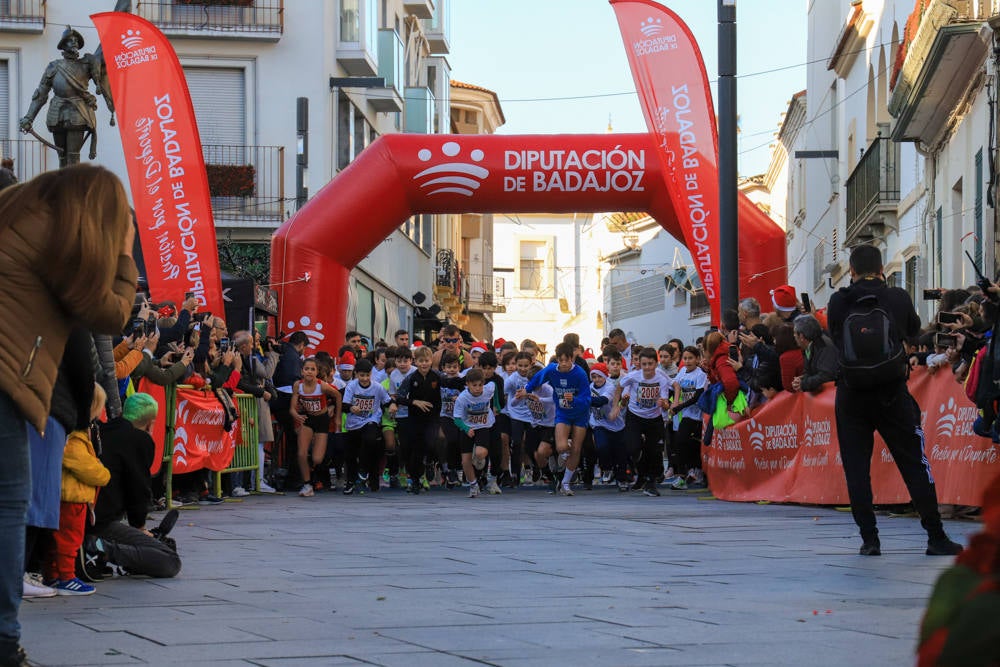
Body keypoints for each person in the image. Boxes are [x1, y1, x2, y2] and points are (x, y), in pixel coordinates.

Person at [0, 164, 137, 667]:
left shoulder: (18, 218)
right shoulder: (51, 237)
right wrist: (124, 252)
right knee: (9, 506)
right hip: (5, 387)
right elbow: (106, 312)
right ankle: (3, 645)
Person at [827, 244, 963, 557]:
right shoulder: (897, 297)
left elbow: (836, 338)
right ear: (882, 269)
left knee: (857, 468)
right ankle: (935, 535)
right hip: (891, 392)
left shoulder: (838, 301)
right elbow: (914, 333)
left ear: (851, 271)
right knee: (914, 462)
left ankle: (870, 540)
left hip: (851, 394)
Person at [85, 393, 182, 579]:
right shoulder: (140, 439)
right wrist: (139, 526)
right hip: (99, 522)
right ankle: (101, 548)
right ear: (150, 424)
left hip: (88, 513)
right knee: (170, 561)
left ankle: (106, 550)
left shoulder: (102, 431)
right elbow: (138, 488)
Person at [44, 384, 110, 596]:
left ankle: (54, 575)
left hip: (71, 497)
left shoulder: (73, 435)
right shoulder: (75, 439)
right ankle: (67, 577)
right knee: (69, 540)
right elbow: (87, 467)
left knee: (59, 539)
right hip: (72, 498)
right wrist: (104, 473)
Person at [20, 26, 115, 167]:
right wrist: (29, 117)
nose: (74, 43)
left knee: (73, 157)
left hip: (77, 111)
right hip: (57, 112)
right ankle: (62, 186)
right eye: (70, 40)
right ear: (63, 45)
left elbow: (104, 56)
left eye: (76, 40)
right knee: (62, 157)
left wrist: (116, 36)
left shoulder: (86, 64)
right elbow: (40, 94)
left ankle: (73, 187)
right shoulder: (53, 67)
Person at [519, 342, 592, 496]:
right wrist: (526, 390)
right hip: (563, 412)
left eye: (567, 360)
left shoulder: (580, 374)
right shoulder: (552, 369)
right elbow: (537, 378)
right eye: (561, 360)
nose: (564, 364)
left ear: (572, 358)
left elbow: (587, 399)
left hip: (580, 414)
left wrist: (574, 399)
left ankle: (565, 483)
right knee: (561, 447)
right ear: (557, 359)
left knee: (576, 449)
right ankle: (566, 451)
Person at [611, 347, 673, 496]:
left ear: (656, 364)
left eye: (650, 364)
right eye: (644, 364)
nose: (647, 368)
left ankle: (650, 483)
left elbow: (665, 401)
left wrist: (665, 404)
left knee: (654, 451)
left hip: (654, 418)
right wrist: (616, 406)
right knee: (633, 448)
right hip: (635, 416)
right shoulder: (634, 376)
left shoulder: (661, 378)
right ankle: (641, 471)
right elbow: (620, 386)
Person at [342, 359, 396, 494]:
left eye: (367, 375)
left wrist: (392, 406)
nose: (365, 379)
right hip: (353, 424)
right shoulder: (352, 386)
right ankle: (350, 482)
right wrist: (351, 408)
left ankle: (366, 472)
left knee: (371, 440)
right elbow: (344, 405)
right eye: (362, 376)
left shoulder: (377, 387)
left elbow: (387, 401)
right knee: (350, 454)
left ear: (371, 374)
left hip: (371, 420)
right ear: (356, 374)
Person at [396, 346, 443, 494]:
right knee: (415, 450)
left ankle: (430, 462)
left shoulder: (437, 376)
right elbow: (399, 397)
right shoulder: (411, 378)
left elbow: (451, 384)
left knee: (432, 442)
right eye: (421, 361)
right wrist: (414, 402)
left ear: (431, 361)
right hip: (415, 419)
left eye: (427, 361)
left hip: (433, 418)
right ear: (415, 362)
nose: (424, 364)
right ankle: (415, 480)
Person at [289, 358, 339, 497]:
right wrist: (296, 416)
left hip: (322, 420)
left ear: (317, 372)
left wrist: (337, 416)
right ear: (302, 371)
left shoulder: (322, 386)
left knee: (317, 458)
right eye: (306, 369)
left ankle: (311, 469)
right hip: (307, 419)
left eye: (312, 369)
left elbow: (338, 396)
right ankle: (307, 484)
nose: (309, 372)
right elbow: (292, 409)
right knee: (301, 453)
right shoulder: (297, 385)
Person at [453, 368, 498, 497]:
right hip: (467, 427)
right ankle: (473, 484)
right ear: (467, 384)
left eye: (480, 385)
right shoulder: (462, 398)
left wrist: (497, 406)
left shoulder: (488, 389)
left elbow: (494, 387)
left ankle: (479, 459)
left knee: (481, 453)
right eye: (474, 385)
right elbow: (456, 419)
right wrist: (466, 429)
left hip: (483, 426)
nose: (478, 388)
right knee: (465, 461)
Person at [791, 315, 839, 394]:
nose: (794, 336)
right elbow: (810, 371)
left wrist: (804, 384)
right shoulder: (810, 345)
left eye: (795, 333)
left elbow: (826, 375)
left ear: (801, 336)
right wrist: (802, 379)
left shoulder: (824, 346)